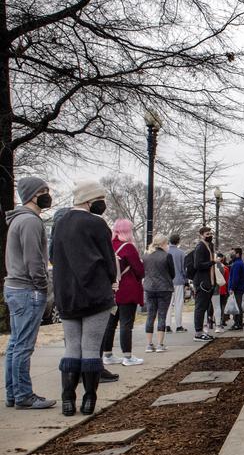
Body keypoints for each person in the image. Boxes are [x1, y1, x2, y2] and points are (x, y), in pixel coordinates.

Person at [52, 180, 116, 416]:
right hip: (95, 292)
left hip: (67, 293)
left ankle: (67, 400)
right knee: (91, 347)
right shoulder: (97, 224)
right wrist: (112, 280)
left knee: (72, 346)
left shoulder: (60, 223)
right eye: (101, 199)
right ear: (90, 200)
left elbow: (54, 257)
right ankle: (89, 399)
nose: (103, 204)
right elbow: (109, 259)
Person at [4, 176, 56, 409]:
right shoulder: (31, 222)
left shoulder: (18, 220)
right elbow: (34, 260)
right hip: (27, 289)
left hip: (16, 287)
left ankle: (13, 393)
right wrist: (42, 285)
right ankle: (24, 395)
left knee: (15, 344)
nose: (48, 195)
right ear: (33, 194)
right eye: (44, 191)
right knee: (23, 345)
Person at [101, 219, 145, 367]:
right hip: (128, 291)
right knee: (126, 323)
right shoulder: (128, 248)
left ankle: (107, 354)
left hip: (112, 291)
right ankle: (127, 356)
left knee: (110, 324)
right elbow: (140, 271)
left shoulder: (109, 246)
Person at [143, 234, 175, 353]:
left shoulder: (146, 255)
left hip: (149, 288)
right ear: (162, 244)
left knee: (150, 315)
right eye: (166, 243)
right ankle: (160, 344)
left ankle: (149, 344)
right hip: (164, 288)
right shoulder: (167, 256)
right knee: (162, 315)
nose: (167, 246)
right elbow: (173, 274)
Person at [192, 227, 216, 342]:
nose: (210, 235)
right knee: (200, 308)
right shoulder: (200, 247)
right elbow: (197, 264)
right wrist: (212, 262)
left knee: (205, 307)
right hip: (202, 282)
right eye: (207, 234)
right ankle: (198, 333)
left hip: (208, 282)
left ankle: (202, 331)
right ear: (201, 235)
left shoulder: (209, 246)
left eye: (211, 233)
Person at [166, 233, 187, 333]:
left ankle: (167, 325)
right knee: (178, 304)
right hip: (178, 280)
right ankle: (179, 326)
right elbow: (184, 269)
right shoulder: (181, 253)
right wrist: (185, 280)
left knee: (168, 304)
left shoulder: (165, 251)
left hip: (167, 281)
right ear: (178, 241)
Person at [227, 248, 244, 330]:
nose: (231, 254)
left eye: (233, 253)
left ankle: (237, 323)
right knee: (239, 306)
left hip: (237, 288)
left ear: (237, 254)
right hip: (241, 287)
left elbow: (235, 278)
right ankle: (239, 323)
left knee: (237, 306)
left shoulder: (237, 264)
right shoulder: (240, 263)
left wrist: (232, 288)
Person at [208, 252, 228, 333]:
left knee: (208, 307)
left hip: (206, 288)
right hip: (216, 288)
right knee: (217, 307)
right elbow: (222, 273)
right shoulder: (219, 264)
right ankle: (218, 325)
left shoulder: (205, 262)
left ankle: (208, 323)